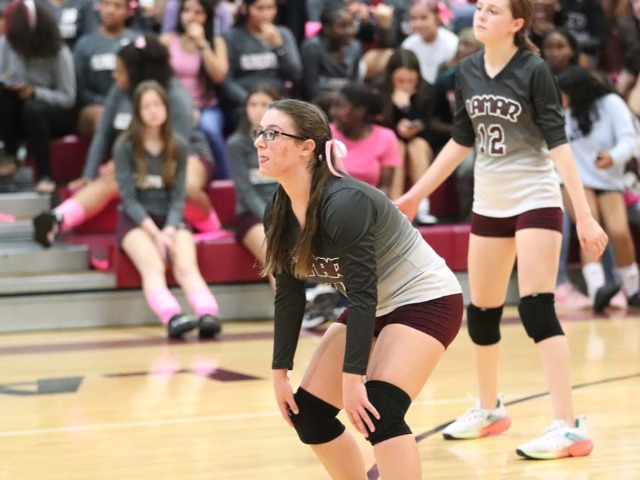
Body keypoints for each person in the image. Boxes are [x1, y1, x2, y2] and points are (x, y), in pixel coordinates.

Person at [396, 0, 607, 459]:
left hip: (535, 197)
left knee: (536, 308)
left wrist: (585, 214)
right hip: (489, 202)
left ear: (516, 23)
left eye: (493, 10)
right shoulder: (468, 70)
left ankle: (569, 426)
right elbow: (461, 140)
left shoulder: (534, 70)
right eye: (480, 7)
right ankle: (490, 409)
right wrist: (415, 194)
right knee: (482, 311)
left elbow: (559, 145)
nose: (481, 15)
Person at [258, 98, 463, 480]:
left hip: (425, 299)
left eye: (272, 133)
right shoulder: (278, 210)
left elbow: (363, 293)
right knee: (310, 416)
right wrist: (280, 373)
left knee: (378, 411)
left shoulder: (345, 202)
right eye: (259, 132)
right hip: (375, 304)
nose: (259, 142)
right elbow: (288, 294)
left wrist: (353, 380)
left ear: (307, 148)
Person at [33, 34, 221, 247]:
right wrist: (89, 174)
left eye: (120, 71)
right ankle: (56, 220)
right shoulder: (119, 90)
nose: (114, 75)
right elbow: (103, 132)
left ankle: (210, 224)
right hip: (139, 154)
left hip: (185, 154)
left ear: (137, 72)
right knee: (110, 179)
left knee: (185, 186)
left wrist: (131, 162)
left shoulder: (177, 96)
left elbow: (176, 145)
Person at [114, 80, 222, 339]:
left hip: (170, 218)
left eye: (157, 104)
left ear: (166, 108)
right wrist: (156, 233)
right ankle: (172, 316)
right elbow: (129, 200)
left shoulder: (178, 145)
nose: (153, 111)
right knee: (153, 266)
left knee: (186, 266)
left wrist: (171, 229)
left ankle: (208, 314)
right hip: (136, 221)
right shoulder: (124, 146)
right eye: (146, 106)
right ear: (137, 111)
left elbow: (178, 197)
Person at [558, 66, 640, 309]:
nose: (561, 98)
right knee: (589, 226)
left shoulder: (611, 104)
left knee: (619, 231)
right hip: (574, 179)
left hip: (608, 178)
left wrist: (613, 157)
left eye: (564, 93)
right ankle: (597, 290)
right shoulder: (561, 112)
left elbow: (629, 139)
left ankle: (633, 289)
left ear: (577, 92)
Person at [0, 0, 76, 193]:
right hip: (17, 110)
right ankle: (10, 156)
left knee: (33, 108)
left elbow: (68, 98)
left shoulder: (59, 51)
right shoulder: (8, 42)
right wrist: (8, 81)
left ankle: (44, 175)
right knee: (3, 95)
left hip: (53, 113)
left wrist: (34, 92)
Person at [161, 0, 232, 179]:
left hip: (206, 107)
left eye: (197, 12)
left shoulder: (216, 42)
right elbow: (161, 80)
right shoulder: (167, 40)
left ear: (207, 16)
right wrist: (186, 108)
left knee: (210, 129)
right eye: (186, 11)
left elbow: (219, 75)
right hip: (174, 107)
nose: (190, 17)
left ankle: (225, 180)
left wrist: (202, 44)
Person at [220, 0, 302, 131]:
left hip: (277, 100)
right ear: (245, 9)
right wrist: (251, 101)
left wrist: (278, 47)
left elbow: (295, 74)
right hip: (243, 103)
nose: (266, 13)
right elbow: (226, 81)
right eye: (260, 8)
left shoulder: (283, 34)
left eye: (270, 8)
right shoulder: (231, 37)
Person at [379, 48, 437, 223]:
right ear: (390, 78)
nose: (406, 86)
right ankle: (396, 206)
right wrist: (396, 127)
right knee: (397, 145)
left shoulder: (427, 90)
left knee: (415, 145)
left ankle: (422, 206)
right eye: (400, 81)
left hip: (421, 146)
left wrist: (407, 110)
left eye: (411, 81)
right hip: (390, 145)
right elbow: (376, 127)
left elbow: (431, 127)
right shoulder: (378, 90)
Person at [73, 0, 139, 138]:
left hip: (129, 105)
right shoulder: (84, 44)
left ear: (128, 11)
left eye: (117, 6)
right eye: (106, 4)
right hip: (93, 107)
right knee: (103, 117)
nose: (110, 10)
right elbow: (80, 89)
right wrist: (107, 104)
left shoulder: (137, 41)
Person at [329, 83, 402, 198]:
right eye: (334, 106)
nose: (333, 112)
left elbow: (385, 187)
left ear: (359, 111)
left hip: (368, 202)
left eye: (340, 107)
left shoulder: (386, 137)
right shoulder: (326, 133)